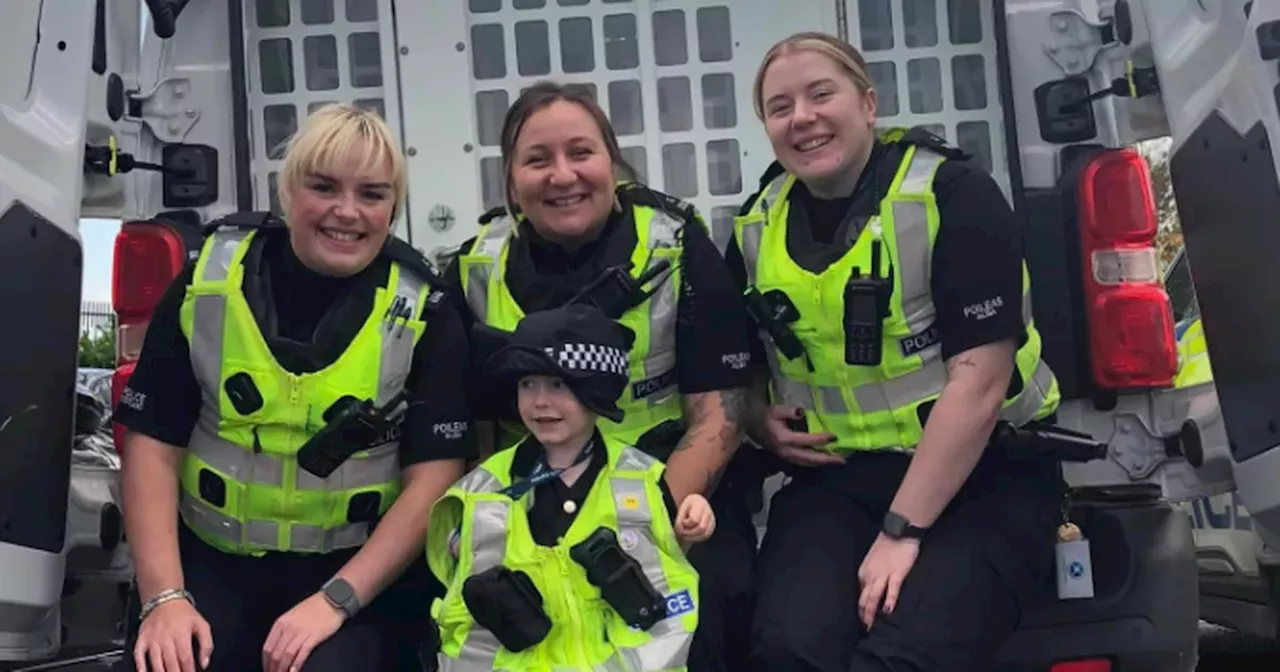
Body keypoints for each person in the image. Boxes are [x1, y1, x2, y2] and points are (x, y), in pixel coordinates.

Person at [724, 32, 1065, 671]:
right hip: (838, 481)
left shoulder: (955, 195)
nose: (802, 117)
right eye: (779, 106)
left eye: (821, 94)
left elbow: (982, 384)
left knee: (902, 660)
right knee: (785, 651)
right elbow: (731, 362)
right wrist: (753, 417)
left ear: (869, 103)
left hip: (987, 477)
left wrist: (900, 532)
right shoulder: (754, 225)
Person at [110, 104, 476, 672]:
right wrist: (164, 599)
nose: (346, 212)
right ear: (288, 192)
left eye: (373, 195)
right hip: (211, 563)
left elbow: (433, 481)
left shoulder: (428, 312)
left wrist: (336, 602)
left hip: (356, 580)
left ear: (393, 209)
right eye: (324, 186)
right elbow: (152, 447)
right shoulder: (207, 284)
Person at [440, 81, 760, 671]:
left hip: (672, 495)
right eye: (538, 160)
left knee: (708, 618)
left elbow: (722, 414)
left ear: (611, 162)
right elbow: (478, 435)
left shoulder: (676, 246)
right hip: (527, 509)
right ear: (511, 180)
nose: (563, 176)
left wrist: (644, 522)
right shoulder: (473, 270)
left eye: (581, 153)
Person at [427, 304, 716, 670]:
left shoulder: (642, 481)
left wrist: (691, 523)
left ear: (597, 390)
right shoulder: (481, 491)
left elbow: (671, 587)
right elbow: (459, 613)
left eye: (558, 384)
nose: (540, 401)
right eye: (526, 384)